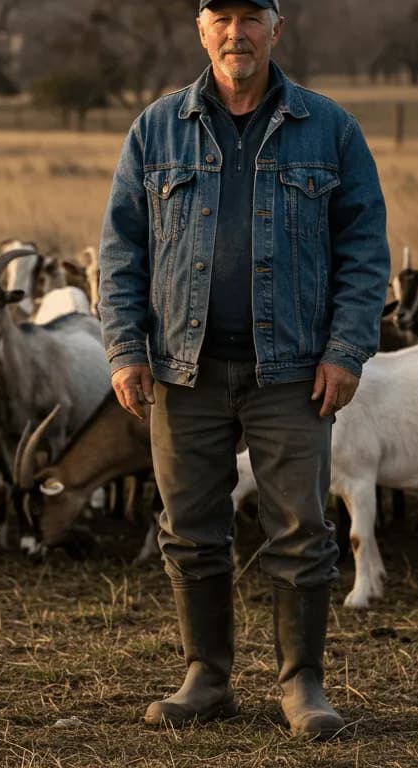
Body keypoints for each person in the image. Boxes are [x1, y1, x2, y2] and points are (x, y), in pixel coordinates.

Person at [97, 0, 390, 739]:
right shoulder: (157, 128)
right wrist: (126, 349)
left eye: (251, 17)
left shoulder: (330, 129)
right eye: (221, 18)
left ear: (276, 28)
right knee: (192, 528)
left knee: (301, 529)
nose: (237, 33)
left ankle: (302, 685)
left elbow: (365, 251)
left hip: (291, 369)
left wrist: (346, 351)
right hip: (181, 370)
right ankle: (207, 678)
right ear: (201, 30)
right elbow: (120, 251)